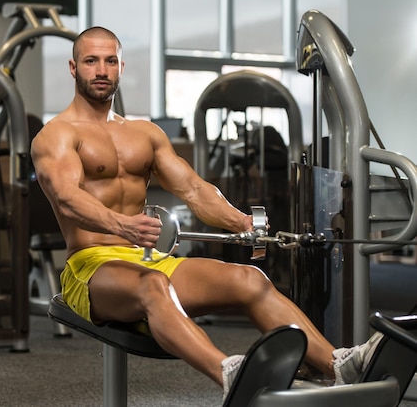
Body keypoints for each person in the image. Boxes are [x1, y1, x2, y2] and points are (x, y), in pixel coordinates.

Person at [30, 26, 381, 399]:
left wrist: (241, 222)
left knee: (251, 279)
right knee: (153, 285)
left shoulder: (144, 134)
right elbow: (66, 197)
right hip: (91, 267)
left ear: (121, 66)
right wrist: (122, 225)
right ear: (73, 67)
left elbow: (194, 190)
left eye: (110, 61)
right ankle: (228, 373)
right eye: (91, 61)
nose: (101, 70)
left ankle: (337, 364)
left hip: (146, 260)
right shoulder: (57, 135)